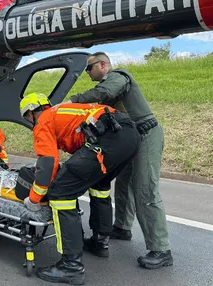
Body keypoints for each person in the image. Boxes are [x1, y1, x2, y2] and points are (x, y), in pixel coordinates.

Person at [19, 92, 140, 285]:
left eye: (27, 117)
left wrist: (34, 199)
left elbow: (48, 161)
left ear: (32, 112)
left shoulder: (44, 120)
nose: (30, 121)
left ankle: (71, 267)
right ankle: (100, 243)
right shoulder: (64, 113)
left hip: (106, 138)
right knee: (99, 186)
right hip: (128, 135)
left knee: (60, 193)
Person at [66, 52, 172, 269]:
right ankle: (122, 227)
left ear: (102, 64)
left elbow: (106, 91)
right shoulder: (106, 86)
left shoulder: (118, 75)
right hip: (129, 137)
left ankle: (161, 249)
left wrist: (73, 100)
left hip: (146, 134)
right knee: (123, 185)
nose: (86, 72)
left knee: (145, 188)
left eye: (89, 67)